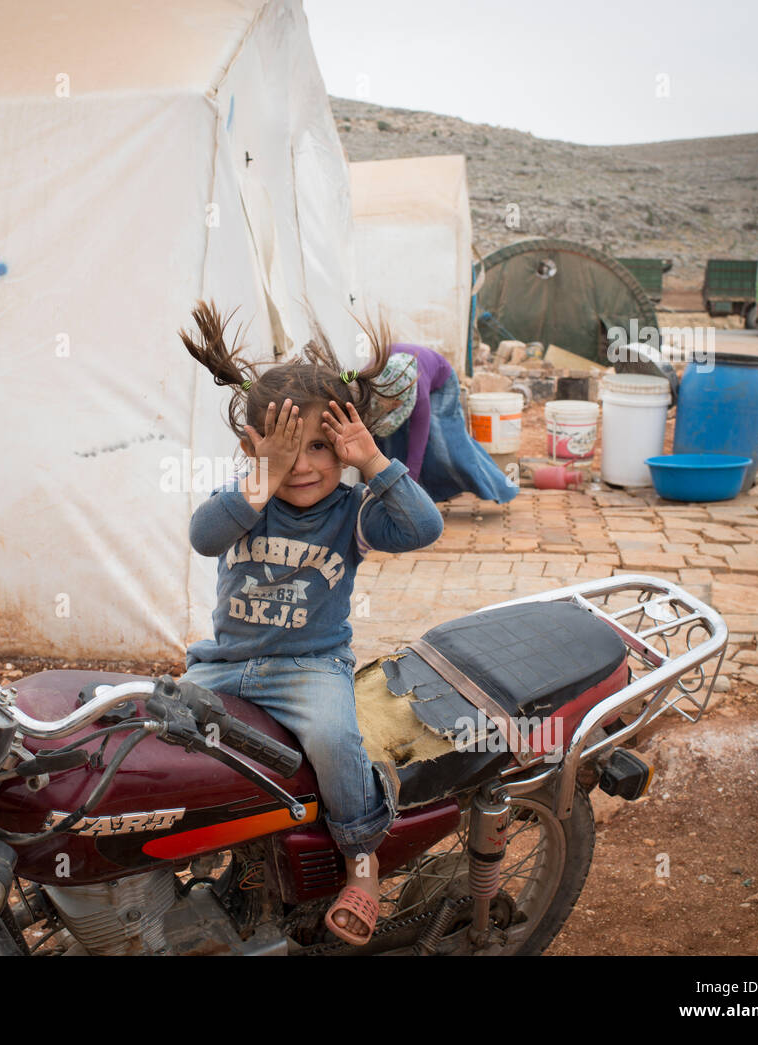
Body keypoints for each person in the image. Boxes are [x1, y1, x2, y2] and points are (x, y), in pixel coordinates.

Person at [177, 301, 443, 945]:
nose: (303, 465)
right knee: (172, 736)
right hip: (225, 664)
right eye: (285, 448)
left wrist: (375, 464)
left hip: (309, 669)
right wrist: (258, 479)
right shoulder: (244, 501)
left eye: (321, 446)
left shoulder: (352, 512)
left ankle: (361, 856)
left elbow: (423, 527)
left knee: (330, 739)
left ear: (345, 449)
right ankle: (215, 854)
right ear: (252, 448)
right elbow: (202, 537)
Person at [370, 342, 518, 505]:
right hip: (405, 380)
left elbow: (417, 447)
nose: (395, 407)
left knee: (443, 443)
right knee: (390, 437)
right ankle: (405, 494)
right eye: (392, 402)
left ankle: (500, 487)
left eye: (398, 403)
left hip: (441, 381)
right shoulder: (373, 376)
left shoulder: (419, 397)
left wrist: (409, 493)